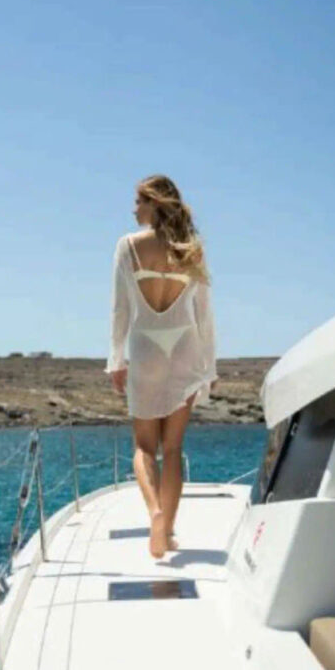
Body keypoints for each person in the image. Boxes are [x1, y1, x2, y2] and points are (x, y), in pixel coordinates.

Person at [105, 175, 217, 558]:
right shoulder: (192, 250)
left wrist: (116, 360)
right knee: (173, 449)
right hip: (185, 345)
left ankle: (154, 512)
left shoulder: (128, 246)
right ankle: (167, 532)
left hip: (146, 344)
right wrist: (209, 369)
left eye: (138, 202)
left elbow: (121, 309)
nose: (134, 209)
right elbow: (204, 315)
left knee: (143, 446)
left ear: (154, 203)